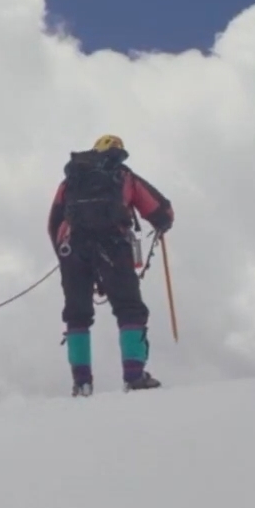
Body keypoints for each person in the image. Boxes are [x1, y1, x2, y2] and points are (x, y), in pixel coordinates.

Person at [47, 135, 174, 397]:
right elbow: (161, 210)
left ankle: (81, 383)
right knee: (129, 309)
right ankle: (134, 376)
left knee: (77, 314)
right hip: (113, 247)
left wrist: (63, 255)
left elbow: (54, 221)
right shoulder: (123, 175)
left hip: (72, 248)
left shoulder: (72, 178)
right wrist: (162, 224)